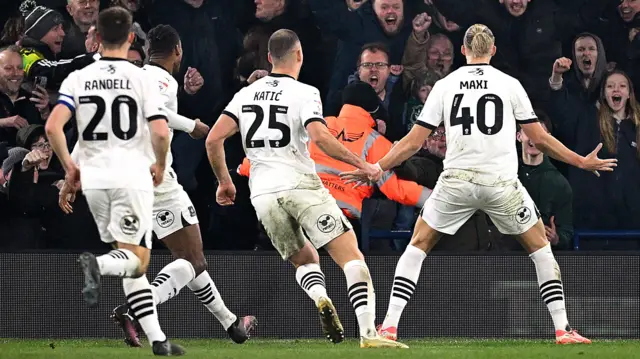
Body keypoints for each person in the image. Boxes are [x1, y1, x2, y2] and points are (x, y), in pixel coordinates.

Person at [341, 24, 616, 345]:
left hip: (457, 180)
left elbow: (414, 141)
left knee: (417, 246)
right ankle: (562, 328)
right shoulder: (509, 84)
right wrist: (581, 161)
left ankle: (388, 326)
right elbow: (540, 137)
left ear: (463, 50)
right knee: (541, 248)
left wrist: (377, 167)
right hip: (499, 182)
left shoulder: (446, 85)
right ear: (493, 51)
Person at [205, 28, 407, 349]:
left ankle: (321, 298)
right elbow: (320, 138)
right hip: (299, 183)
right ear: (299, 55)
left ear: (270, 58)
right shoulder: (305, 92)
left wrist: (225, 183)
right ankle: (369, 335)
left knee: (304, 258)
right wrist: (363, 165)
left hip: (263, 194)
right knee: (350, 256)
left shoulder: (245, 95)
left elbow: (214, 139)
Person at [100, 24, 257, 348]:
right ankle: (135, 308)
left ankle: (231, 324)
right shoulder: (162, 80)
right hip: (155, 179)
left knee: (190, 258)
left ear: (145, 52)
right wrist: (192, 125)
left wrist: (73, 171)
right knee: (194, 260)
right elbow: (155, 113)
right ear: (178, 52)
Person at [44, 7, 184, 356]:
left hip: (93, 180)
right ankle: (97, 265)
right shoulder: (142, 79)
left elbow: (52, 127)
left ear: (97, 37)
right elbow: (161, 132)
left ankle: (158, 341)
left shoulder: (79, 77)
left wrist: (69, 172)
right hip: (130, 177)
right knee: (135, 260)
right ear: (132, 38)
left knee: (130, 254)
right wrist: (161, 164)